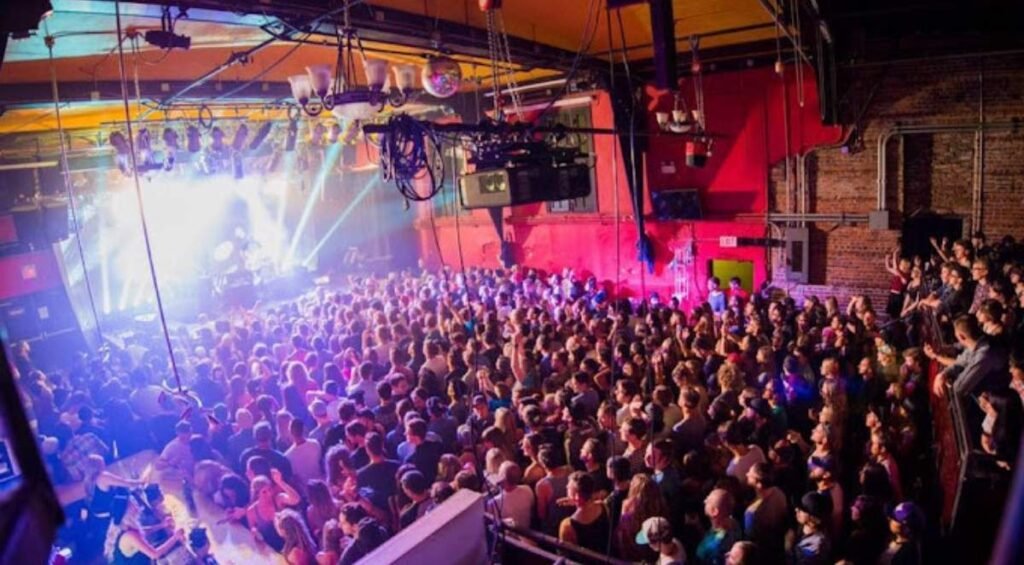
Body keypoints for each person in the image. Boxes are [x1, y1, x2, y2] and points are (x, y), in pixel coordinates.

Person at [558, 471, 611, 555]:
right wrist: (575, 501)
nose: (566, 486)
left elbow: (566, 554)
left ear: (577, 495)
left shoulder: (567, 525)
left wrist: (576, 501)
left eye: (569, 487)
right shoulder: (603, 506)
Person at [696, 488, 741, 565]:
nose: (705, 501)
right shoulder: (734, 523)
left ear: (714, 512)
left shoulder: (711, 547)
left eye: (708, 501)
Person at [489, 461, 535, 529]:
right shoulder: (527, 489)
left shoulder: (494, 502)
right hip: (527, 532)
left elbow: (492, 526)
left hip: (509, 538)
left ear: (502, 479)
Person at [790, 491, 832, 565]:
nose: (796, 510)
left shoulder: (815, 547)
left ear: (812, 518)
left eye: (802, 510)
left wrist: (788, 549)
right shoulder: (802, 528)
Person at [285, 418, 322, 486]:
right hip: (320, 483)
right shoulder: (315, 444)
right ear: (303, 429)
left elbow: (295, 478)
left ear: (290, 432)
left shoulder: (288, 455)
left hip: (306, 490)